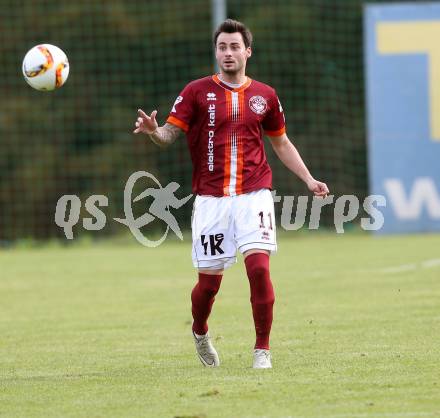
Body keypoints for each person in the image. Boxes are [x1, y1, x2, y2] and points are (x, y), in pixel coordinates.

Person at [133, 19, 329, 369]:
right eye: (222, 47)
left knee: (258, 268)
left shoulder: (265, 95)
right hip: (211, 200)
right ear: (216, 52)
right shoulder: (196, 91)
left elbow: (281, 143)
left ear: (248, 51)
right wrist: (152, 131)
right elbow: (167, 137)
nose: (228, 53)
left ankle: (262, 351)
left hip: (255, 194)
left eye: (234, 46)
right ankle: (200, 331)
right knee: (208, 286)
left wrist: (309, 179)